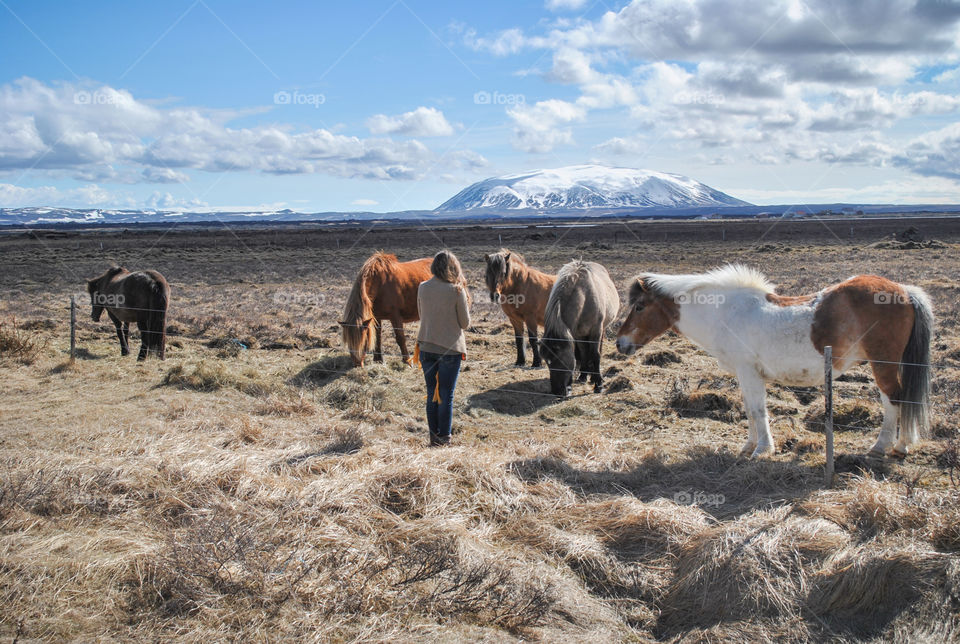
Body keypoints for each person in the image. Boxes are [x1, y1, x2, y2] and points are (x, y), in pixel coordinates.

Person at [416, 250, 470, 446]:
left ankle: (433, 437)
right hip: (450, 349)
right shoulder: (456, 291)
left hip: (426, 346)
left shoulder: (422, 287)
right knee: (446, 394)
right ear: (453, 267)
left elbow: (422, 315)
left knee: (432, 393)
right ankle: (444, 438)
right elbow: (465, 323)